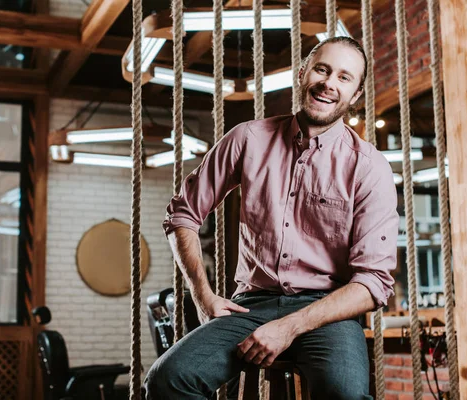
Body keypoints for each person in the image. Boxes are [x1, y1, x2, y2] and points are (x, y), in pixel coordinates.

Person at [145, 36, 399, 400]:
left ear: (355, 95)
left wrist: (289, 327)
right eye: (322, 69)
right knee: (168, 379)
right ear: (302, 74)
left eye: (345, 78)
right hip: (251, 304)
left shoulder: (368, 166)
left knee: (345, 395)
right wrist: (204, 297)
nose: (329, 83)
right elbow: (182, 214)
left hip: (327, 312)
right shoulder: (247, 139)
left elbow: (373, 282)